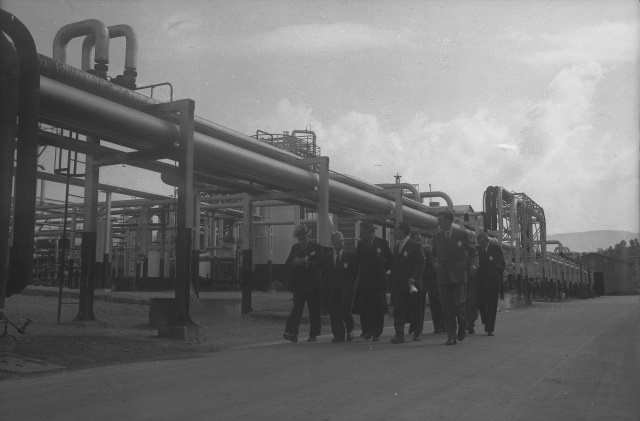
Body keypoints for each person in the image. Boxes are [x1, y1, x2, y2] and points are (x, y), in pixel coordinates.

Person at [431, 210, 478, 345]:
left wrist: (474, 264)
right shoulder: (437, 236)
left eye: (440, 220)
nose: (438, 223)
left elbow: (473, 251)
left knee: (458, 303)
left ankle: (463, 325)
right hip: (443, 275)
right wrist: (435, 263)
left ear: (448, 220)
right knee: (446, 307)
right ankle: (451, 336)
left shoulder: (462, 234)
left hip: (458, 274)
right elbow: (433, 255)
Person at [283, 224, 325, 343]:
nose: (300, 240)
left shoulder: (317, 247)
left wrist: (307, 264)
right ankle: (292, 332)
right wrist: (294, 262)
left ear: (308, 236)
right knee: (297, 308)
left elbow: (320, 263)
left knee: (314, 309)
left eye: (302, 238)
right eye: (299, 238)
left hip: (313, 284)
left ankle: (314, 334)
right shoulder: (295, 247)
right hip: (298, 284)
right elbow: (287, 263)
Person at [355, 221, 393, 342]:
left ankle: (376, 332)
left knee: (377, 306)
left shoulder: (382, 243)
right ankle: (367, 330)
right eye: (365, 233)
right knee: (365, 306)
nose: (367, 235)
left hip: (378, 280)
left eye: (368, 232)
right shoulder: (361, 244)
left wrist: (382, 270)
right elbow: (358, 261)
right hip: (365, 280)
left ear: (372, 232)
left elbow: (390, 260)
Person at [390, 222, 425, 343]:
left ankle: (417, 332)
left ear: (402, 231)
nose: (394, 232)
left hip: (412, 285)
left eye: (396, 230)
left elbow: (420, 264)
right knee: (399, 310)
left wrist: (414, 277)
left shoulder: (415, 245)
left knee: (415, 309)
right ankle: (399, 334)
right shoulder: (396, 248)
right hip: (399, 285)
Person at [325, 231, 359, 343]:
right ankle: (338, 335)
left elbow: (355, 272)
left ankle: (350, 329)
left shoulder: (351, 256)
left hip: (346, 289)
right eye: (338, 241)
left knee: (345, 310)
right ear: (333, 243)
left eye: (342, 241)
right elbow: (326, 274)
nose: (341, 243)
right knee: (334, 312)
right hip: (333, 289)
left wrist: (348, 283)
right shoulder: (328, 257)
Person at [476, 232, 505, 336]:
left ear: (487, 241)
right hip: (481, 282)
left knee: (492, 305)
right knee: (481, 303)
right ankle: (486, 320)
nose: (481, 245)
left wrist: (495, 270)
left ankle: (490, 328)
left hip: (493, 281)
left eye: (483, 243)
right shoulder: (477, 249)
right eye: (479, 243)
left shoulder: (495, 248)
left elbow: (501, 263)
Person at [465, 233, 479, 334]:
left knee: (472, 303)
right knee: (461, 303)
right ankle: (464, 323)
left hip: (471, 280)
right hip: (460, 279)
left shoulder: (473, 251)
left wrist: (474, 267)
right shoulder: (458, 249)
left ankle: (471, 323)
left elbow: (476, 262)